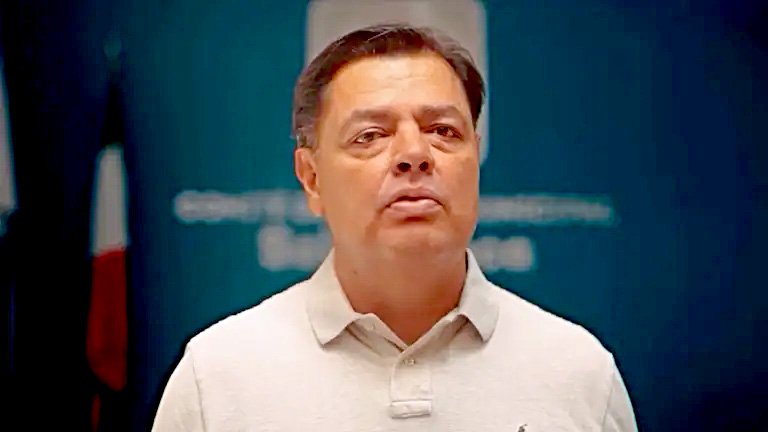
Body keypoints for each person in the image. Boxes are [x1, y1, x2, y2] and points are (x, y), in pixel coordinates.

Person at [152, 23, 637, 431]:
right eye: (370, 135)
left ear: (476, 157)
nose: (414, 155)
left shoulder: (579, 374)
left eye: (443, 131)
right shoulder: (217, 379)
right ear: (312, 178)